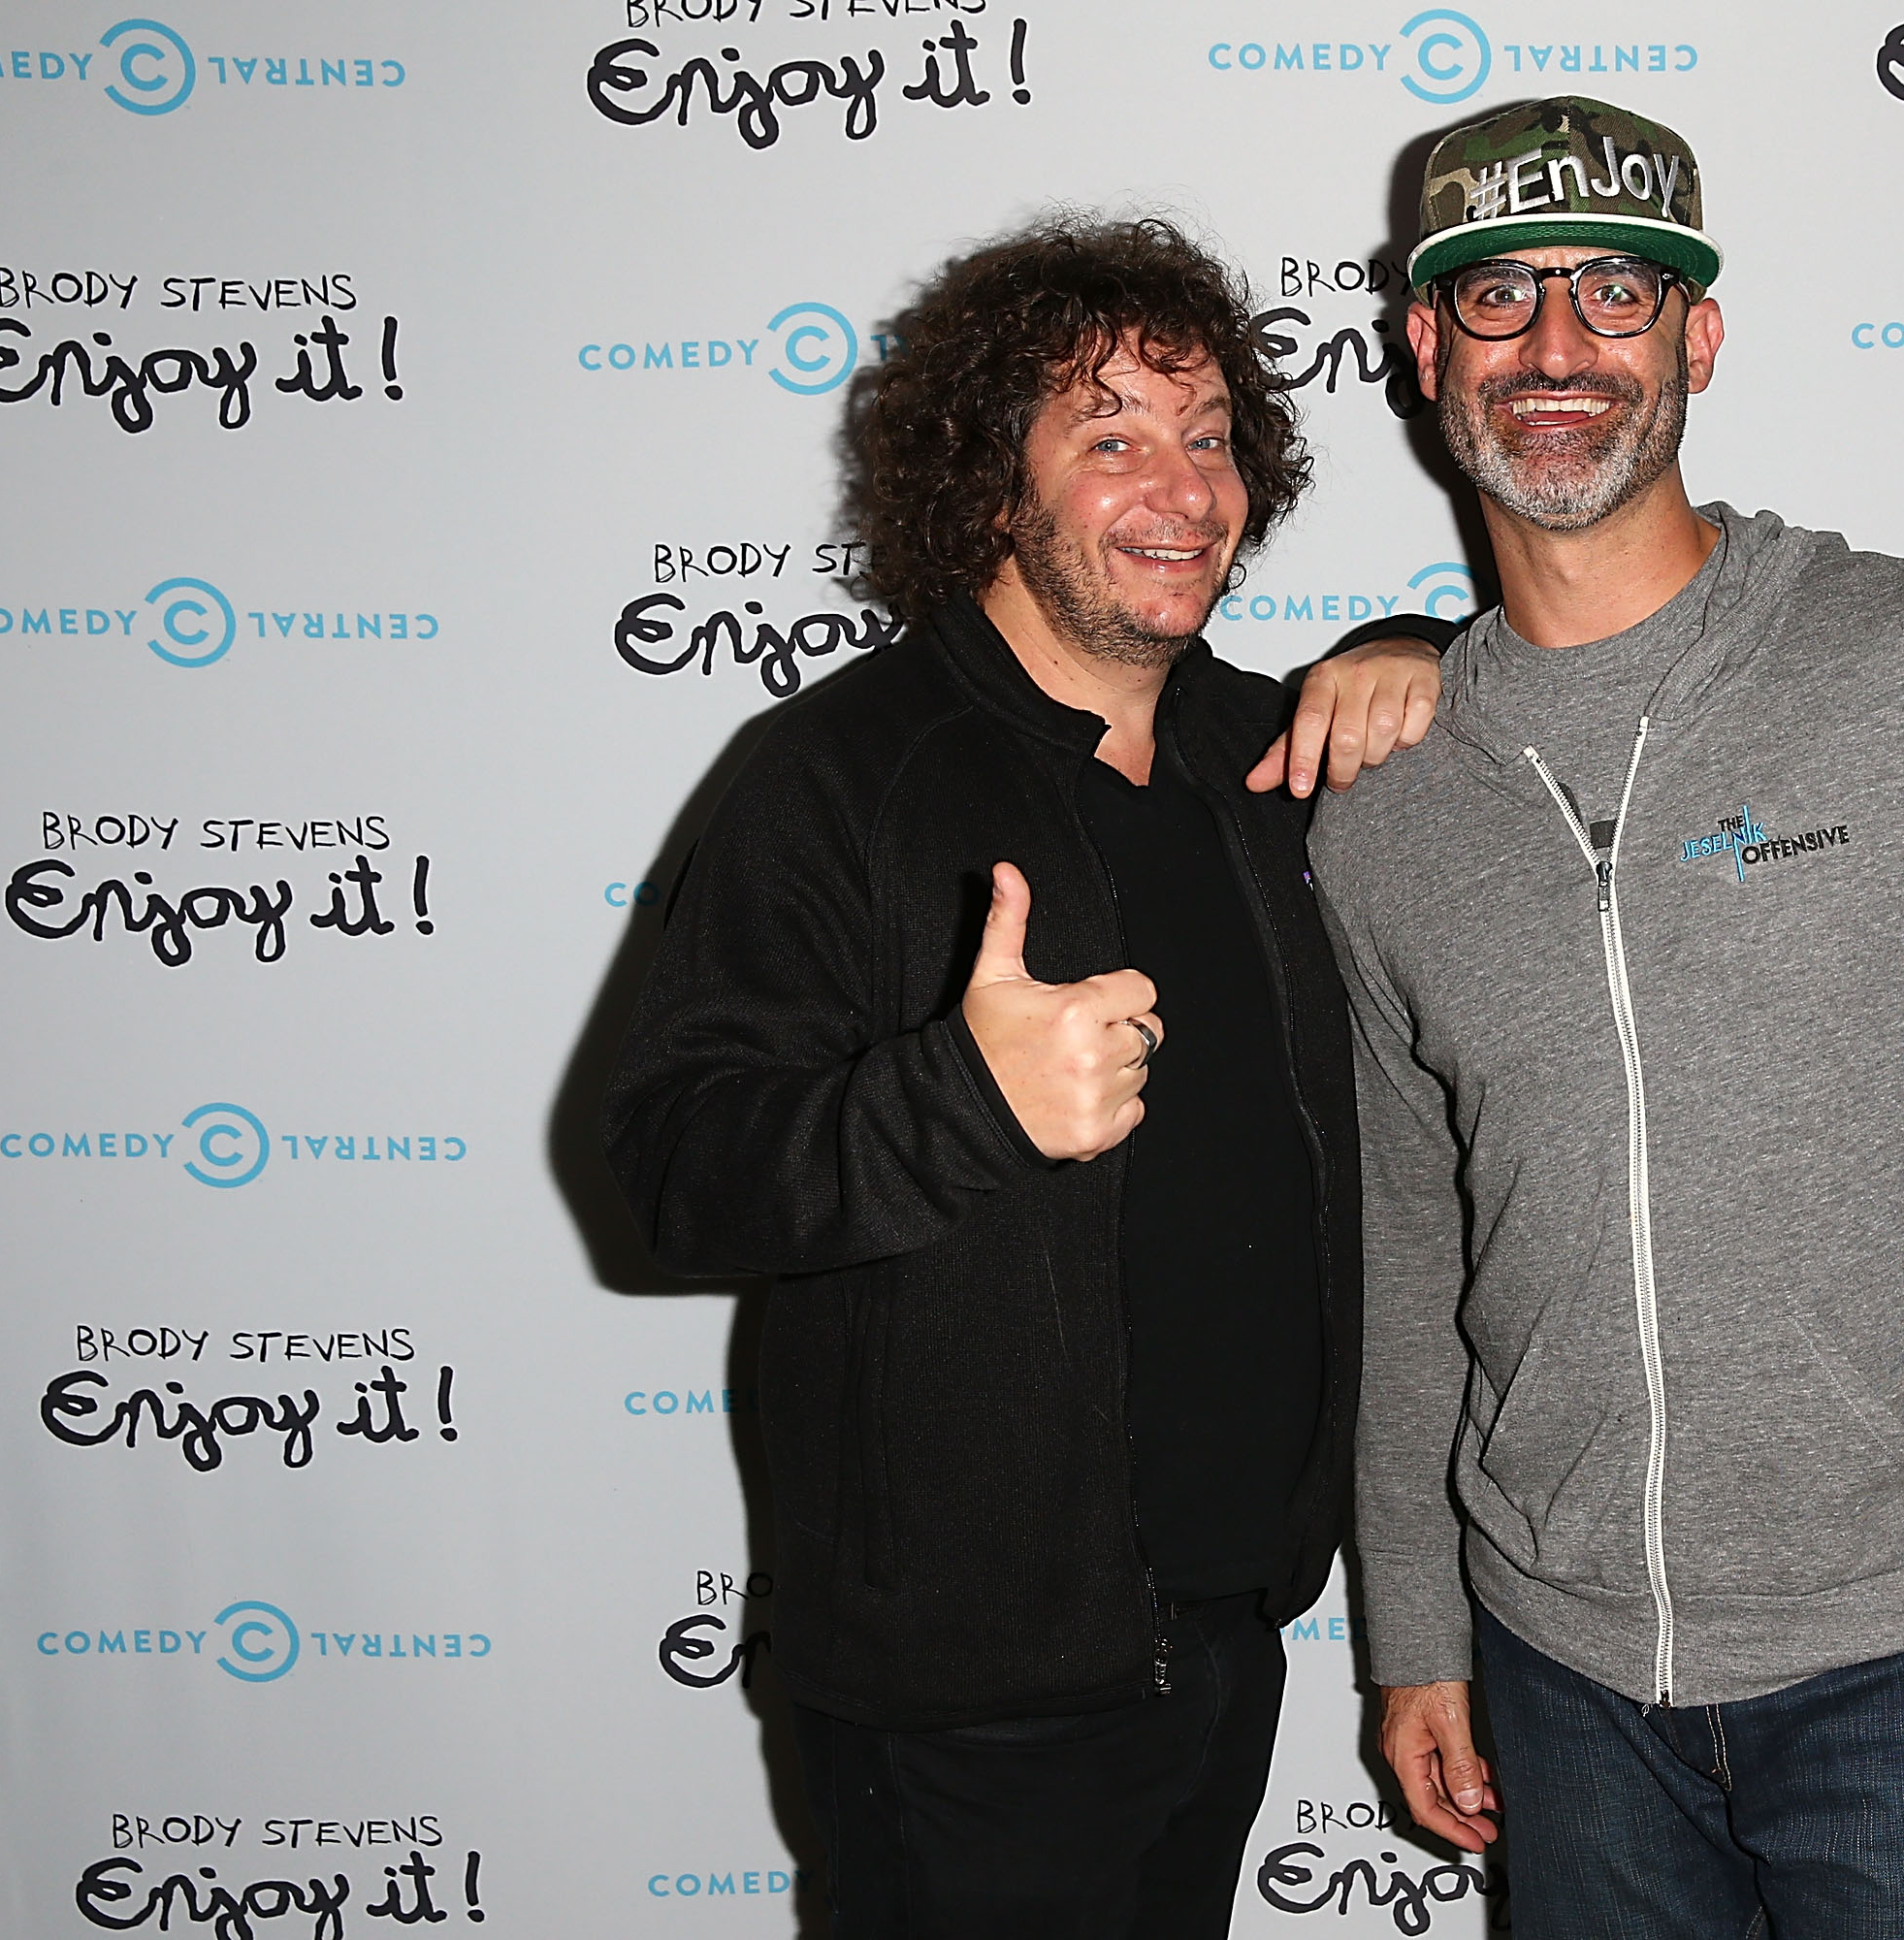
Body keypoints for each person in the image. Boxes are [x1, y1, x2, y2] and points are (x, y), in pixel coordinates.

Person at [1308, 99, 1904, 1937]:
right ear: (1425, 349)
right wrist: (1418, 1634)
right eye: (1501, 300)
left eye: (1617, 294)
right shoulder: (1386, 792)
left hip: (1902, 1650)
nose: (1558, 350)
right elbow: (1414, 1233)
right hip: (1555, 1657)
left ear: (1702, 338)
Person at [600, 214, 1438, 1940]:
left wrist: (1427, 635)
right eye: (1110, 436)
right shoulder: (836, 776)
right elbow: (659, 1172)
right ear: (992, 488)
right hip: (963, 1680)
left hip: (1225, 1621)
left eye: (1208, 437)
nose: (1183, 489)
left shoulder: (1258, 749)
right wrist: (956, 1101)